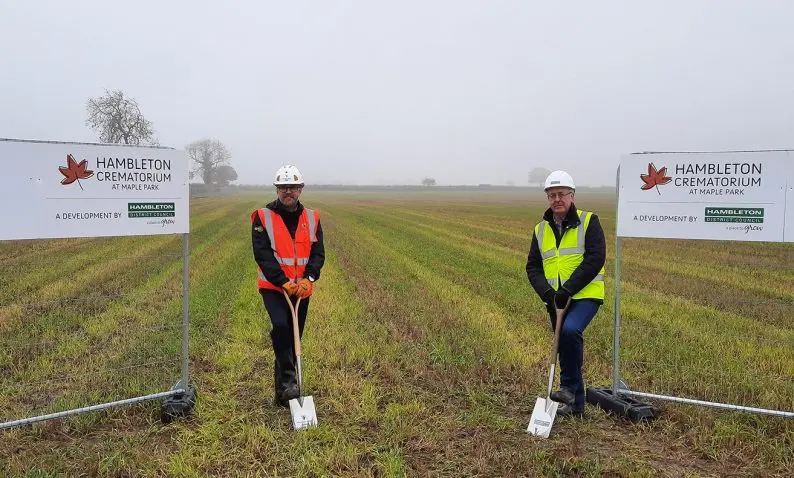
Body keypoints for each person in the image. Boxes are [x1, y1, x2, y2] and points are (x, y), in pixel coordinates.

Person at [525, 170, 606, 417]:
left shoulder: (589, 221)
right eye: (552, 195)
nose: (556, 199)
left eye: (561, 194)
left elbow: (595, 259)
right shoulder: (540, 230)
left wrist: (569, 288)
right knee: (564, 345)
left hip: (585, 294)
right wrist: (548, 294)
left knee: (570, 331)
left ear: (572, 196)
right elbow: (533, 266)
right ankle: (576, 405)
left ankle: (568, 387)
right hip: (555, 299)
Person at [251, 164, 325, 407]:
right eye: (283, 187)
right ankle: (288, 380)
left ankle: (284, 391)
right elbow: (262, 255)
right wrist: (283, 282)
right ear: (277, 189)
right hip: (274, 287)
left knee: (294, 337)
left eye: (292, 187)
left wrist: (309, 279)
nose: (288, 192)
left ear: (301, 189)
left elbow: (318, 253)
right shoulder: (262, 217)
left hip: (301, 288)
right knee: (281, 326)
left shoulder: (312, 218)